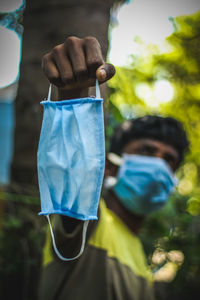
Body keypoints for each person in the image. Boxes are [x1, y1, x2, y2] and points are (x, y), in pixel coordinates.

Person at [38, 36, 189, 300]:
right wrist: (73, 93)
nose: (159, 165)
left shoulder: (143, 259)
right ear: (108, 166)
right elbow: (75, 178)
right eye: (147, 151)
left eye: (169, 161)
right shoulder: (89, 222)